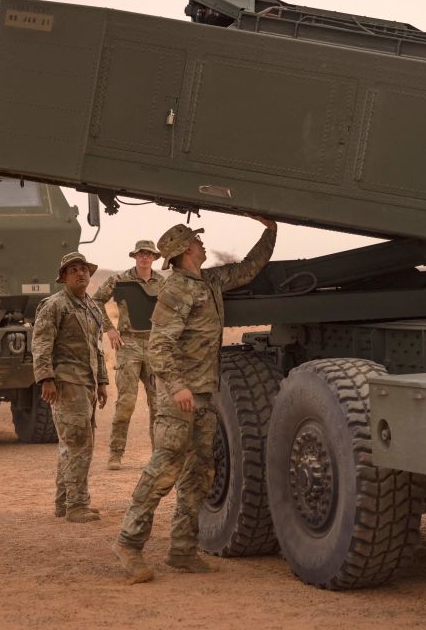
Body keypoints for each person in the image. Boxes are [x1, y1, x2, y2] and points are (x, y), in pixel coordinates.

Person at [113, 216, 277, 582]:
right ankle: (128, 543)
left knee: (199, 473)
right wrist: (177, 386)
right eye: (197, 241)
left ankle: (182, 550)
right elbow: (159, 346)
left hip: (203, 396)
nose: (203, 244)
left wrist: (271, 231)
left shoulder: (209, 281)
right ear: (186, 249)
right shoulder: (175, 291)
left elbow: (248, 269)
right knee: (163, 470)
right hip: (180, 398)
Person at [32, 251, 109, 524]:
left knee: (71, 443)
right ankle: (77, 506)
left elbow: (97, 347)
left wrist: (102, 381)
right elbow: (41, 344)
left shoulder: (92, 307)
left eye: (84, 269)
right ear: (64, 276)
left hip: (87, 384)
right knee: (78, 444)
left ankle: (63, 503)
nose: (80, 273)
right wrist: (46, 379)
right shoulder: (55, 305)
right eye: (73, 269)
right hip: (67, 383)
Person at [92, 240, 165, 470]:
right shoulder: (120, 280)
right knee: (126, 403)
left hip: (154, 345)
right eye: (141, 254)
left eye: (149, 254)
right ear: (135, 256)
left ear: (154, 258)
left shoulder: (163, 282)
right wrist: (109, 328)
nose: (144, 257)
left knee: (158, 404)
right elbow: (95, 301)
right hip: (128, 344)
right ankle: (115, 454)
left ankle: (158, 456)